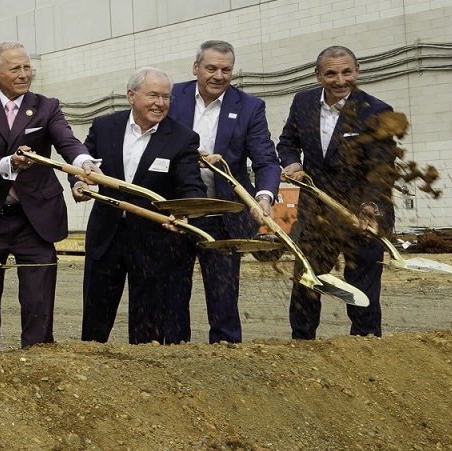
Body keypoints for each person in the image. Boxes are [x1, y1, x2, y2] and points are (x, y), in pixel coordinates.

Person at [0, 41, 91, 349]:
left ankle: (37, 363)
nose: (24, 74)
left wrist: (83, 164)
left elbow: (67, 141)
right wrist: (10, 163)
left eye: (27, 67)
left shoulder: (47, 106)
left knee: (38, 305)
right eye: (15, 68)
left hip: (35, 221)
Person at [76, 68, 206, 345]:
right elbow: (83, 167)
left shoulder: (183, 138)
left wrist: (184, 211)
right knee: (95, 320)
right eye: (153, 95)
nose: (160, 103)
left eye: (166, 97)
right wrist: (79, 185)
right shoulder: (103, 126)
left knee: (148, 327)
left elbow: (191, 185)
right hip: (106, 238)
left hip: (153, 243)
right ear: (131, 96)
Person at [277, 45, 398, 339]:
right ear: (318, 75)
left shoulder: (377, 111)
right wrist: (293, 163)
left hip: (363, 215)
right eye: (331, 73)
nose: (340, 80)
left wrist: (370, 206)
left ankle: (366, 345)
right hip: (316, 213)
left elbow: (382, 167)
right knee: (307, 282)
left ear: (357, 72)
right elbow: (287, 142)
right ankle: (302, 344)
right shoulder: (303, 103)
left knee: (362, 288)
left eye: (346, 72)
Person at [167, 40, 280, 344]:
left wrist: (264, 197)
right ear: (196, 68)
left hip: (223, 215)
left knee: (223, 298)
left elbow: (266, 159)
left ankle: (228, 360)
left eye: (226, 69)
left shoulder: (250, 106)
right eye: (211, 68)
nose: (218, 75)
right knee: (172, 296)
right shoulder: (171, 97)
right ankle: (173, 356)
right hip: (177, 213)